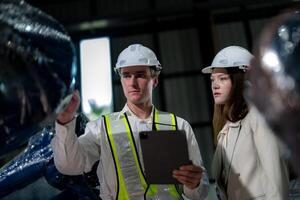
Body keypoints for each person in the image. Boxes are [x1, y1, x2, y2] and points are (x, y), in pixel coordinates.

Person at [51, 43, 209, 199]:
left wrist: (194, 183)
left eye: (140, 75)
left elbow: (200, 192)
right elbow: (70, 165)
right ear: (121, 79)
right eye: (126, 75)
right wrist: (65, 122)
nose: (132, 83)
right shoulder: (102, 128)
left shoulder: (178, 126)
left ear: (154, 79)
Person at [202, 45, 289, 200]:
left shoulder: (257, 118)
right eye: (212, 80)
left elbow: (276, 176)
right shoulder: (227, 128)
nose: (215, 85)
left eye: (222, 78)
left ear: (241, 80)